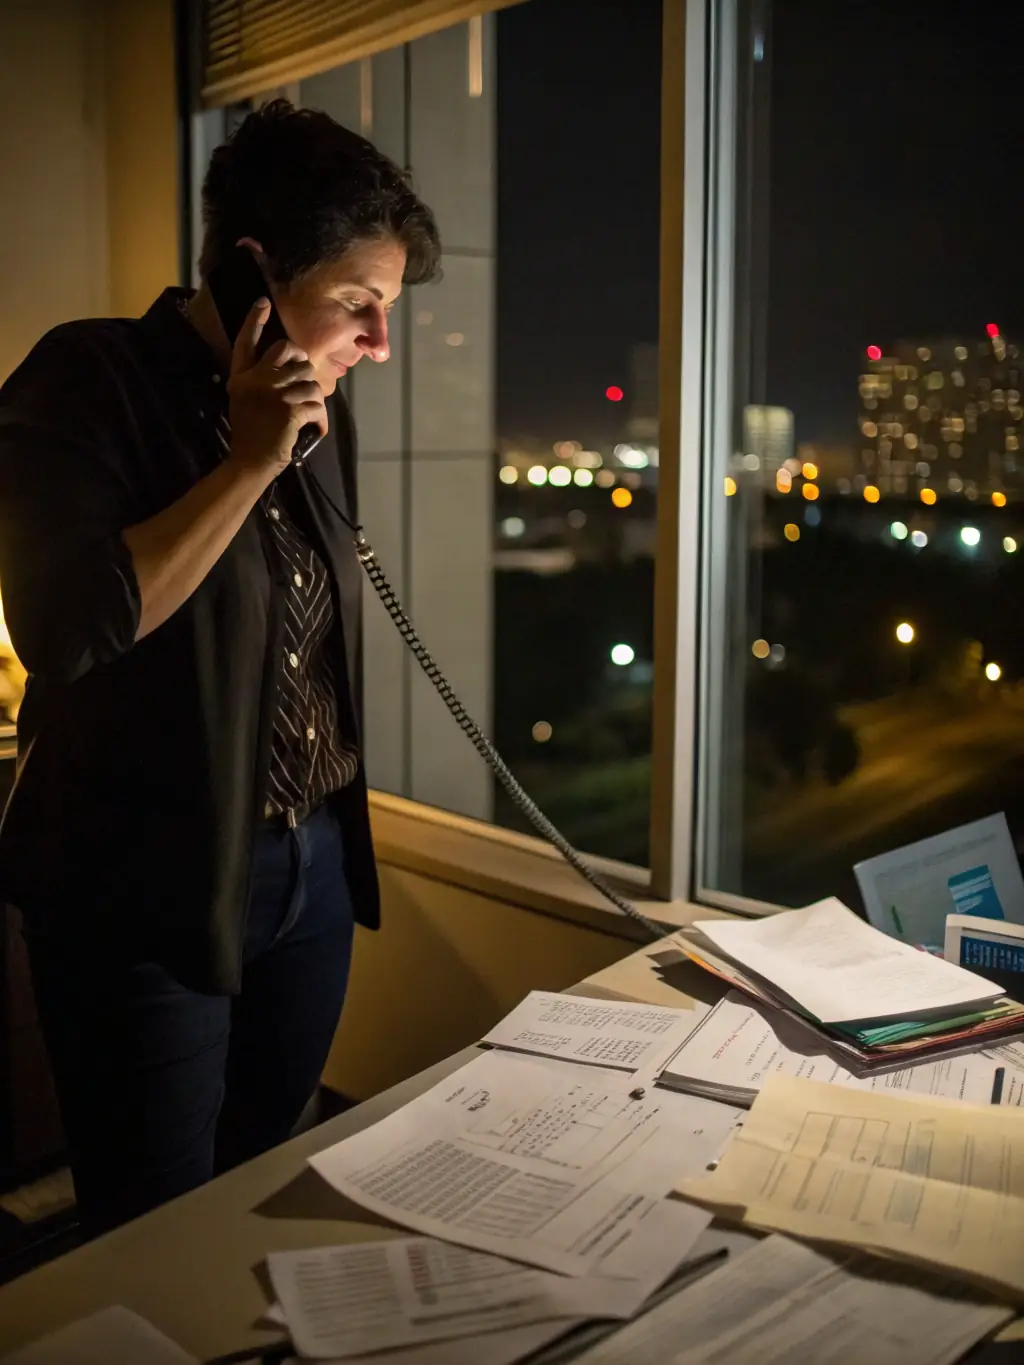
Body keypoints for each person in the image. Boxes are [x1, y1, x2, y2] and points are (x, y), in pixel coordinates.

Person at [0, 100, 441, 1236]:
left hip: (314, 870)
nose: (377, 345)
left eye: (385, 312)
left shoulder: (313, 405)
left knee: (262, 1190)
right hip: (145, 882)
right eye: (359, 304)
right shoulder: (88, 377)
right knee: (154, 1227)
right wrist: (248, 463)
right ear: (255, 275)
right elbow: (65, 627)